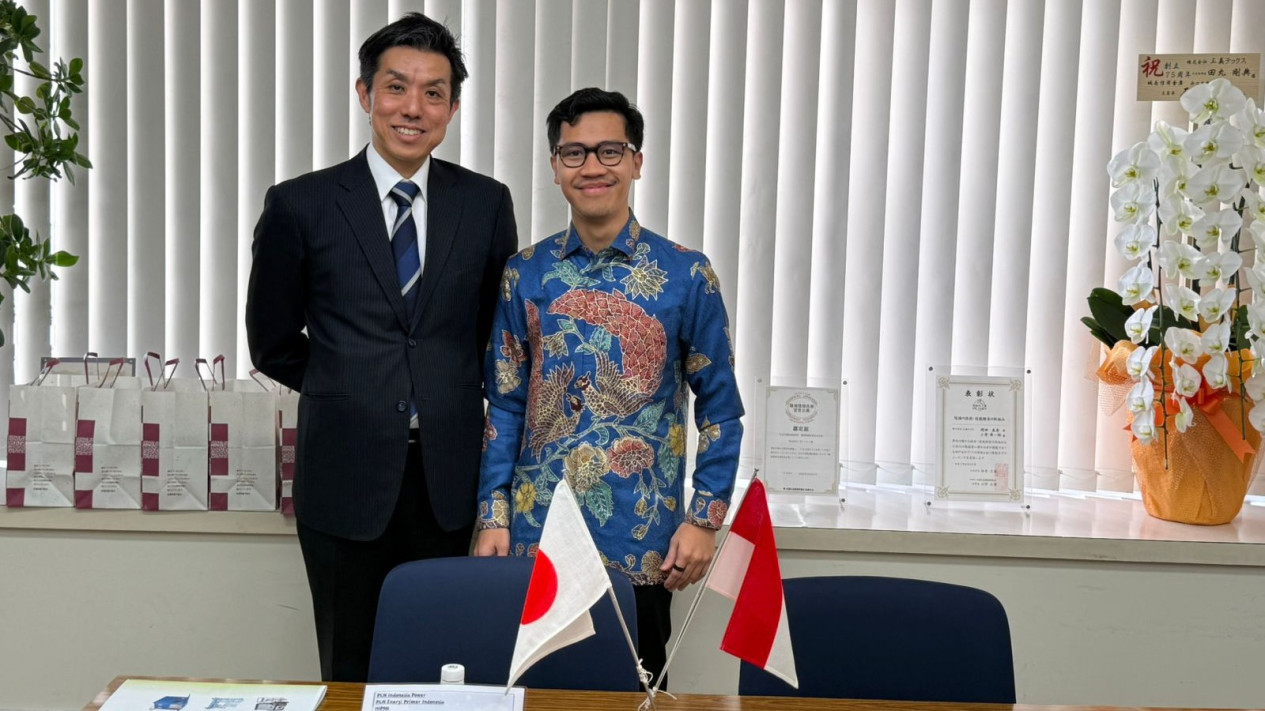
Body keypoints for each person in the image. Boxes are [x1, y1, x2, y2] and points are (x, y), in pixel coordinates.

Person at [245, 12, 517, 682]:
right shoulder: (301, 204)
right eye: (396, 87)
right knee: (350, 666)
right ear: (365, 93)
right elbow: (271, 341)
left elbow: (495, 336)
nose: (412, 108)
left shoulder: (485, 204)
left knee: (448, 666)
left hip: (450, 480)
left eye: (433, 92)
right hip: (343, 476)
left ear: (452, 107)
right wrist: (350, 386)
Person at [474, 87, 743, 685]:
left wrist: (704, 519)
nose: (592, 166)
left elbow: (721, 410)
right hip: (536, 537)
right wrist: (493, 516)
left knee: (636, 693)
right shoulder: (524, 274)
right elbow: (506, 405)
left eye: (609, 151)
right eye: (574, 153)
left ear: (636, 161)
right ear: (555, 167)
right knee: (533, 692)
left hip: (641, 541)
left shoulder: (686, 274)